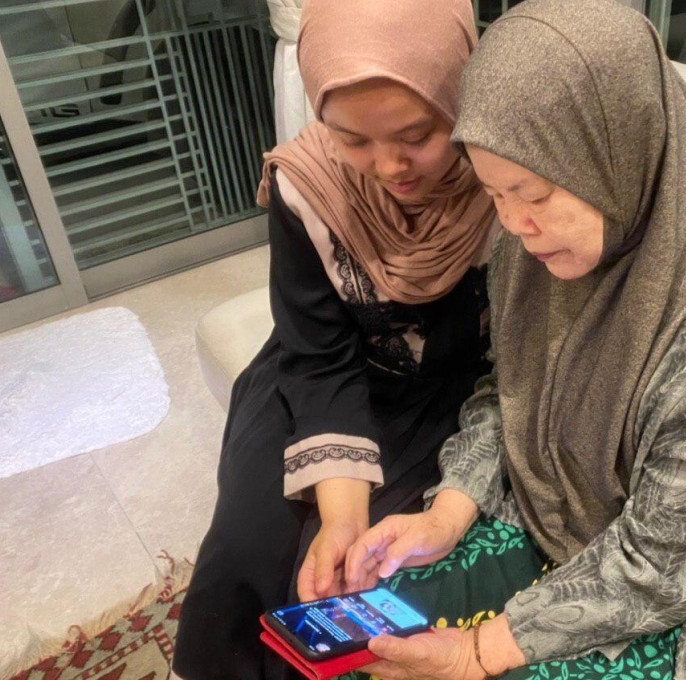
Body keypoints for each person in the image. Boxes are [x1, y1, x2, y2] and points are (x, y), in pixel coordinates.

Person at [343, 2, 686, 679]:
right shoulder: (537, 247)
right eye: (495, 193)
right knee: (369, 643)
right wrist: (445, 516)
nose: (514, 223)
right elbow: (509, 392)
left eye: (530, 192)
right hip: (565, 514)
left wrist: (480, 652)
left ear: (614, 149)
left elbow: (671, 562)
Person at [171, 1, 497, 678]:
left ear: (462, 96)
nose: (388, 167)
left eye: (417, 133)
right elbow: (317, 355)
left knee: (338, 591)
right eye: (352, 138)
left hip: (447, 391)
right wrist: (339, 508)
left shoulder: (506, 181)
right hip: (316, 376)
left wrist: (345, 528)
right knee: (241, 553)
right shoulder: (305, 185)